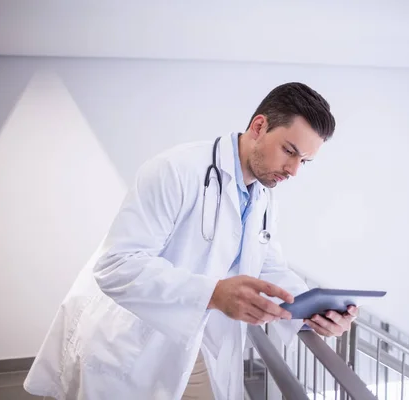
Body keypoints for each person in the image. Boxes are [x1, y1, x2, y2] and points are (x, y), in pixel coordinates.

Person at [23, 82, 358, 400]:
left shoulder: (262, 195)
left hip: (197, 342)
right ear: (258, 127)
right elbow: (116, 265)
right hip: (129, 343)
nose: (294, 171)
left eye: (304, 161)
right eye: (289, 151)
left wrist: (310, 307)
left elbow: (267, 264)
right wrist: (212, 293)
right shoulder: (175, 170)